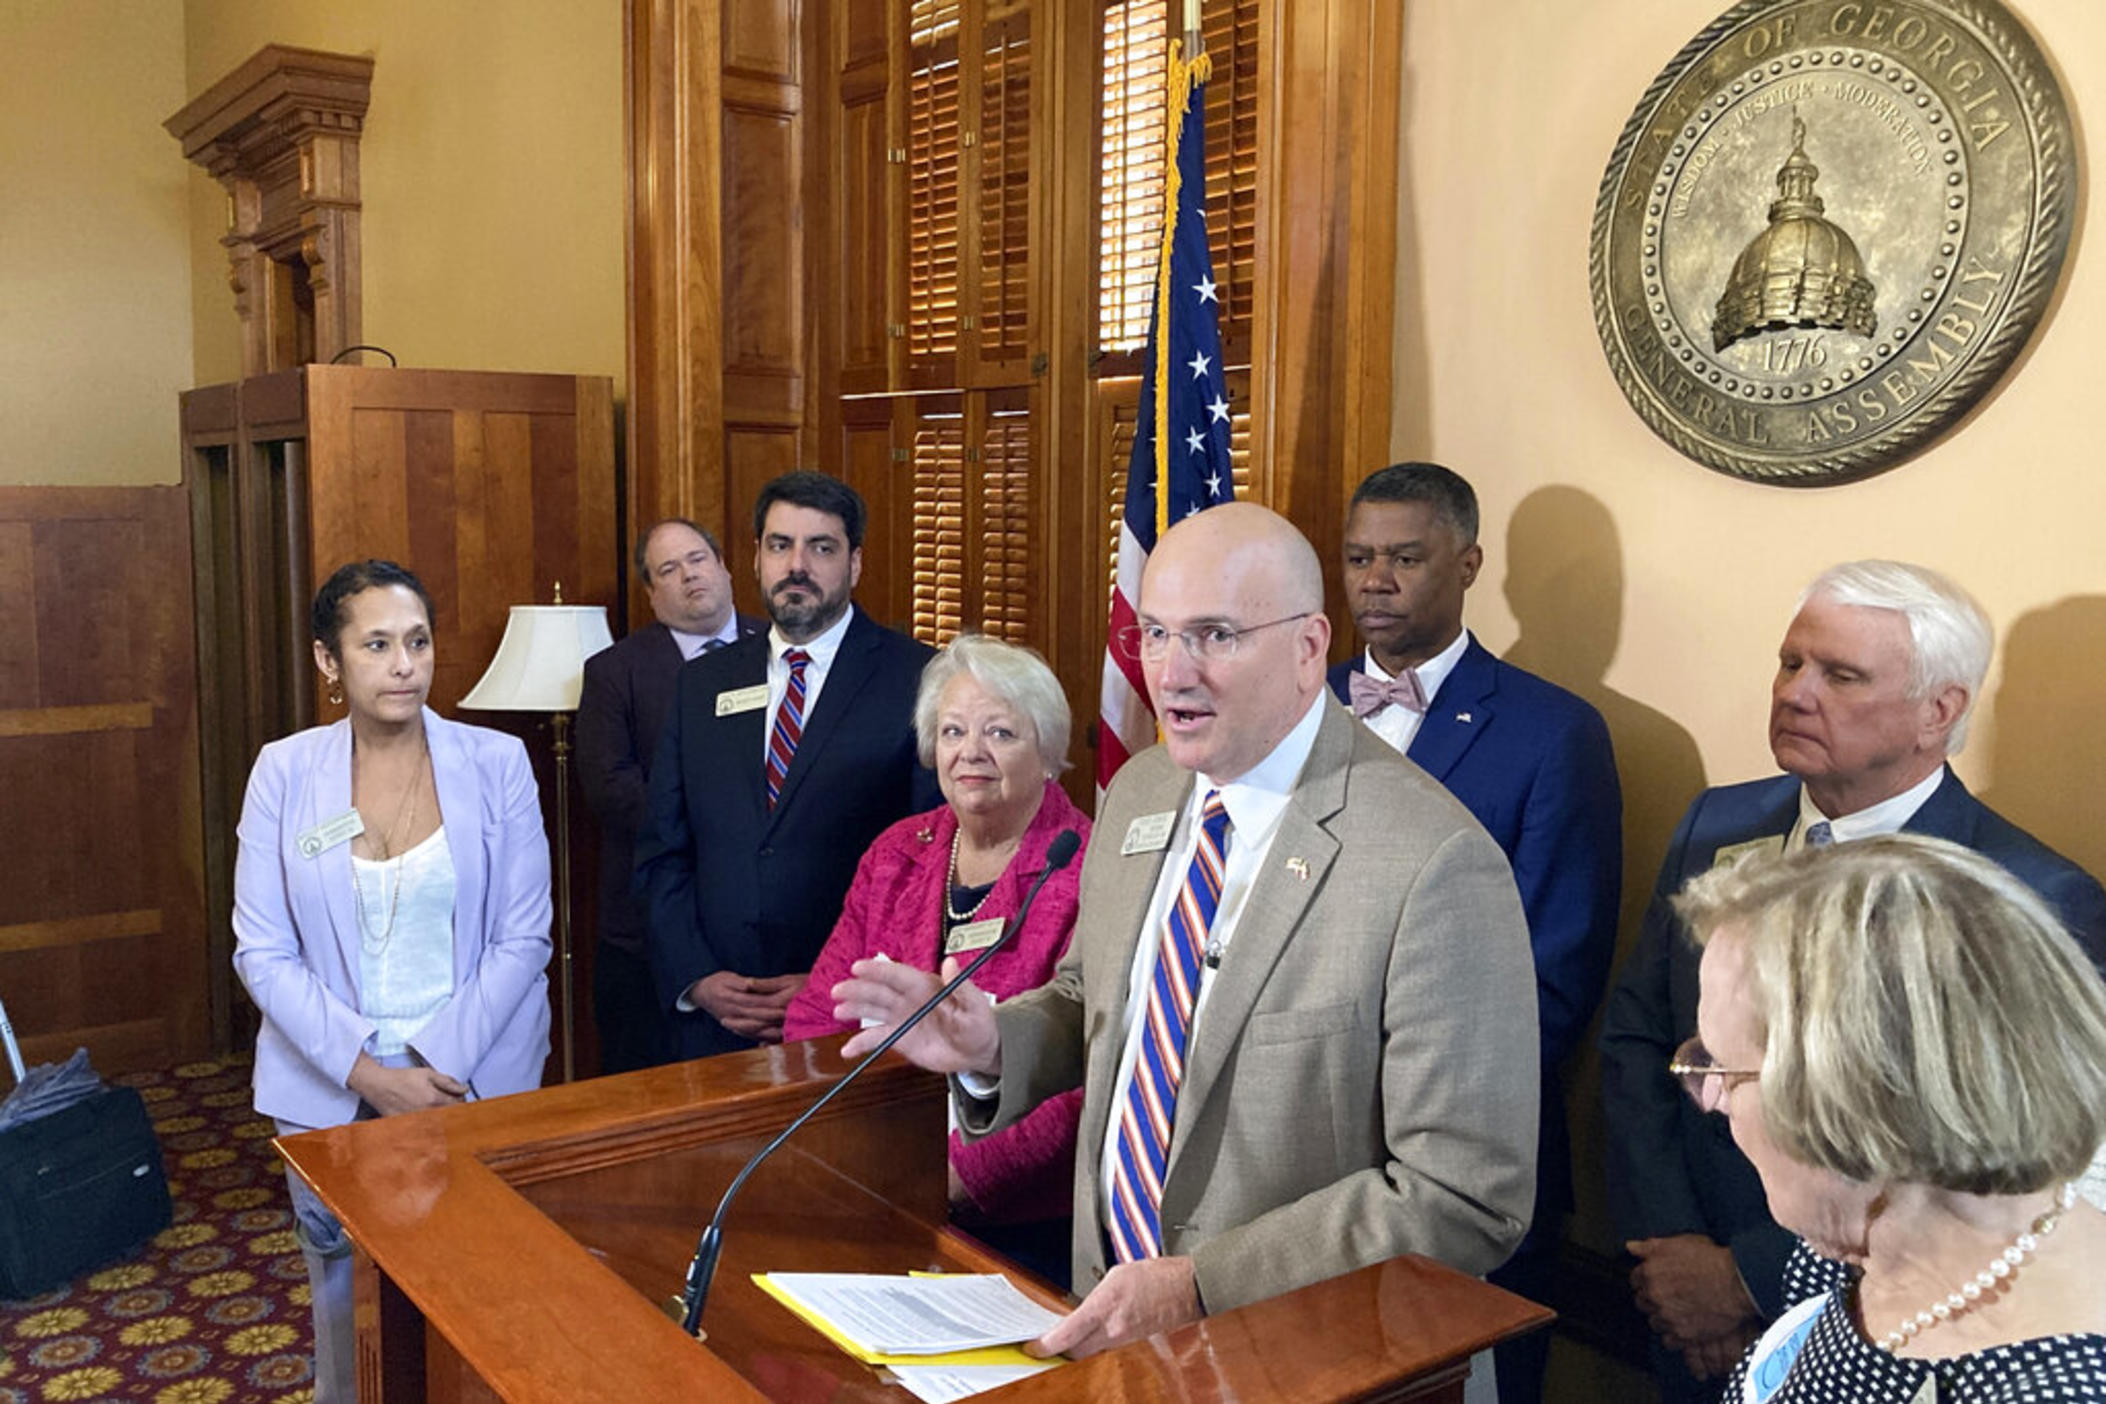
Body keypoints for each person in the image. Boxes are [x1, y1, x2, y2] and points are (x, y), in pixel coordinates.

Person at [828, 502, 1537, 1360]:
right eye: (1157, 635)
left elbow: (1464, 1195)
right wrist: (991, 1043)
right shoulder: (1141, 792)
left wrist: (1205, 1282)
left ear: (1310, 649)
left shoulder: (1434, 862)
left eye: (1214, 636)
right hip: (1101, 1320)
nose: (1171, 674)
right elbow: (1095, 998)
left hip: (1293, 1355)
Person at [1599, 559, 2106, 1400]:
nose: (1796, 692)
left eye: (1840, 675)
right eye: (1790, 663)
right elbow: (1642, 1037)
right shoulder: (1714, 823)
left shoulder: (2029, 897)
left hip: (1902, 1317)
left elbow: (2004, 1161)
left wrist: (1748, 1277)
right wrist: (1672, 1250)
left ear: (1939, 712)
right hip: (1674, 1292)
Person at [1328, 462, 1621, 1404]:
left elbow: (1555, 978)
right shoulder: (1294, 707)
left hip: (1463, 1157)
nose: (1377, 579)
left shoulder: (1554, 732)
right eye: (1360, 557)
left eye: (1406, 558)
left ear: (1468, 564)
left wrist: (1390, 1091)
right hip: (1297, 1159)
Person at [232, 560, 552, 1404]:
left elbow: (525, 938)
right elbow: (262, 951)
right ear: (329, 662)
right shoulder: (284, 773)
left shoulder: (498, 761)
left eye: (417, 642)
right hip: (328, 1091)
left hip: (472, 1081)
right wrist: (371, 1075)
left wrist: (429, 1068)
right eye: (376, 645)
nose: (404, 664)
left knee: (483, 1308)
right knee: (348, 1324)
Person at [1673, 835, 2106, 1400]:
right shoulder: (1853, 1238)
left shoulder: (2056, 1389)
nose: (1710, 1099)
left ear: (1850, 1098)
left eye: (1726, 1072)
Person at [783, 634, 1089, 1280]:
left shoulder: (1085, 867)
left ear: (1050, 752)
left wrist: (951, 1177)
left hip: (1019, 1225)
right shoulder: (897, 853)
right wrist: (842, 1154)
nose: (971, 753)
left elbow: (1089, 1076)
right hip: (872, 1183)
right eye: (952, 732)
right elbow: (816, 1017)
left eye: (1001, 733)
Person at [637, 471, 936, 1059]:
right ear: (755, 558)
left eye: (820, 547)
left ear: (854, 563)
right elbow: (662, 852)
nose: (797, 565)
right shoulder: (702, 685)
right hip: (715, 1025)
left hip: (851, 1023)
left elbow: (929, 867)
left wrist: (833, 983)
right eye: (780, 545)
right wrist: (697, 977)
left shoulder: (919, 678)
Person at [576, 519, 763, 1073]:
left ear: (726, 567)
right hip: (651, 931)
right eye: (669, 569)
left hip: (767, 928)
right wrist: (720, 825)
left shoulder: (781, 651)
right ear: (652, 594)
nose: (689, 575)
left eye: (698, 558)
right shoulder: (615, 672)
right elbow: (610, 787)